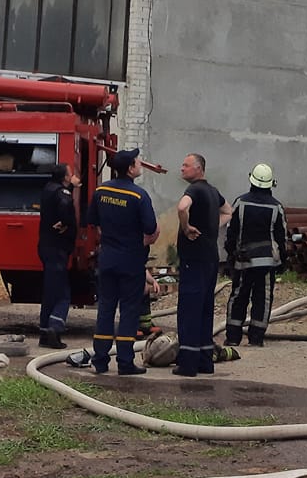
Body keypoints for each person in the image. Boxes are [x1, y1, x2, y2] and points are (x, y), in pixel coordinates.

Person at [89, 149, 157, 375]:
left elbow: (94, 223)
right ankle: (125, 363)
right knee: (129, 311)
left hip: (107, 258)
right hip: (131, 261)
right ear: (130, 168)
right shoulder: (139, 196)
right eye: (138, 162)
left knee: (105, 309)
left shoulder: (100, 191)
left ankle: (100, 361)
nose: (140, 164)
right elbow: (151, 230)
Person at [223, 162, 288, 348]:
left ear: (251, 180)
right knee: (263, 298)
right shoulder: (277, 207)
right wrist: (283, 259)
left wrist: (231, 254)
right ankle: (256, 338)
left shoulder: (240, 203)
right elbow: (282, 237)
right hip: (267, 263)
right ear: (270, 184)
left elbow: (231, 232)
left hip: (243, 261)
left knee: (238, 296)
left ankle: (233, 337)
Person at [172, 153, 225, 377]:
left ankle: (188, 363)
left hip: (193, 259)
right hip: (211, 258)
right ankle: (205, 360)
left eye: (186, 165)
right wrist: (213, 227)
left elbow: (182, 208)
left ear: (199, 169)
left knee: (189, 310)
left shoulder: (194, 190)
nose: (182, 168)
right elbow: (228, 210)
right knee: (205, 309)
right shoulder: (213, 192)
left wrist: (186, 228)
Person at [37, 162, 79, 349]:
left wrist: (71, 186)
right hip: (57, 249)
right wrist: (66, 223)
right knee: (63, 294)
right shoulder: (62, 193)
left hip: (46, 247)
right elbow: (64, 204)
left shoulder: (47, 188)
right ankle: (55, 329)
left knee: (50, 292)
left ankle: (44, 333)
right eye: (70, 173)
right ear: (65, 177)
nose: (72, 175)